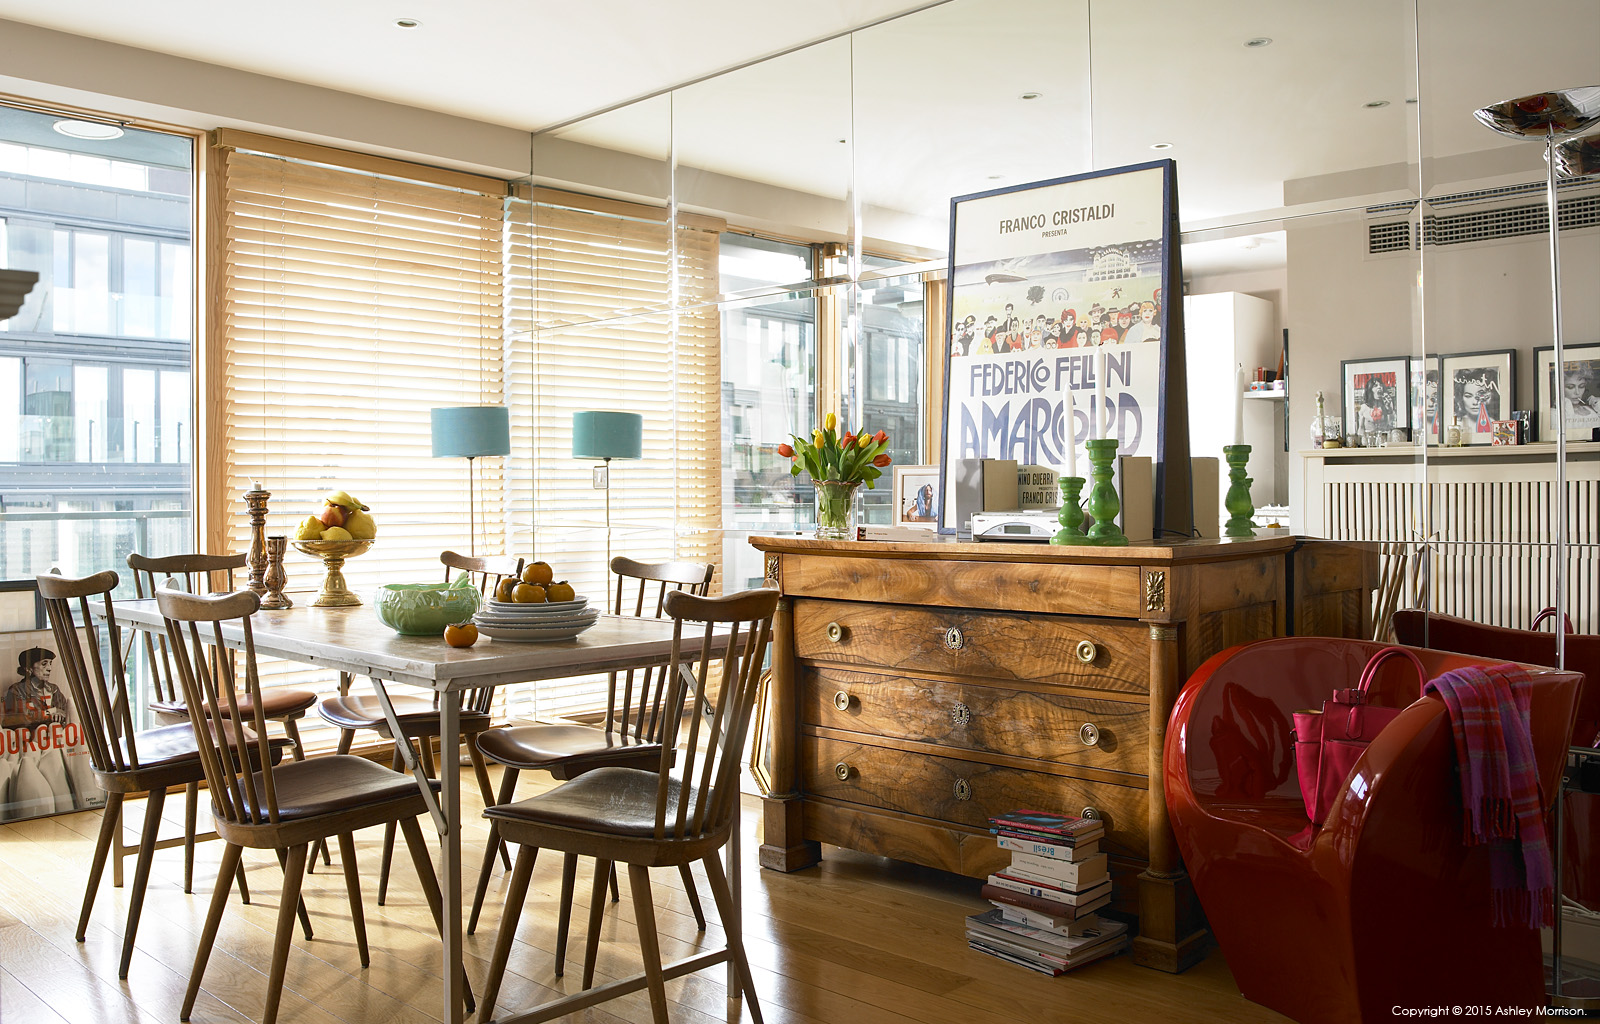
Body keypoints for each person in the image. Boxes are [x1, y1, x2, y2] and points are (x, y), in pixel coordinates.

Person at [1, 649, 80, 820]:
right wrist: (48, 713)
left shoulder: (54, 690)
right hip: (30, 746)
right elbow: (12, 720)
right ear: (29, 669)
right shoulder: (16, 690)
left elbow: (65, 717)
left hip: (55, 744)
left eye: (50, 664)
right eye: (44, 664)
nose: (49, 668)